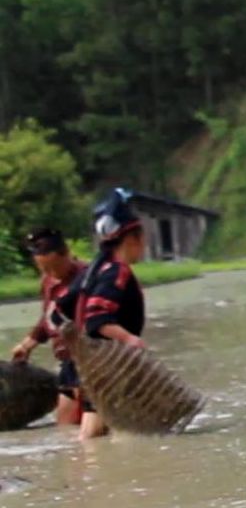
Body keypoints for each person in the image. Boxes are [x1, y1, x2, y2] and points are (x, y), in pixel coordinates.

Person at [54, 189, 148, 441]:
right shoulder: (117, 272)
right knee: (93, 437)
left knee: (85, 433)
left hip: (82, 364)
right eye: (143, 238)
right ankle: (88, 478)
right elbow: (97, 318)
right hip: (103, 367)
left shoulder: (92, 271)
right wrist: (129, 340)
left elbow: (59, 309)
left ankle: (76, 474)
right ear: (132, 239)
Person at [9, 228, 87, 425]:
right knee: (66, 426)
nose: (50, 275)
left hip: (90, 362)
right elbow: (49, 319)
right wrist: (27, 345)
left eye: (54, 269)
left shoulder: (88, 279)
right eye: (44, 270)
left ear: (66, 254)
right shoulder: (48, 282)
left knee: (89, 426)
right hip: (68, 363)